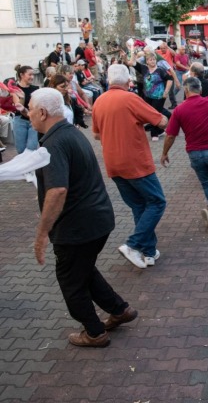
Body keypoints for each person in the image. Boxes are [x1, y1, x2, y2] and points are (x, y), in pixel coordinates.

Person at [30, 88, 137, 347]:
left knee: (70, 279)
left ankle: (94, 331)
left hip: (78, 228)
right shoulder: (71, 133)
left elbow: (57, 190)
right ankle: (118, 309)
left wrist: (42, 233)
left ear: (43, 112)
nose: (28, 113)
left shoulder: (54, 143)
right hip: (97, 220)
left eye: (30, 109)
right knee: (83, 269)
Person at [92, 64, 168, 269]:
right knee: (157, 202)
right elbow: (161, 122)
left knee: (139, 206)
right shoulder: (130, 98)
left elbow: (97, 134)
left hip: (113, 163)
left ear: (109, 80)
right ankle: (132, 245)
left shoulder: (99, 101)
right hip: (135, 162)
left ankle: (149, 252)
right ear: (128, 81)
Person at [161, 75, 208, 230]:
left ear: (185, 90)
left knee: (207, 183)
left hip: (194, 153)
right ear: (199, 89)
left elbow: (170, 135)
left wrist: (164, 153)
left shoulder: (179, 110)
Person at [128, 51, 173, 142]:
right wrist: (133, 53)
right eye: (150, 60)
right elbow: (131, 63)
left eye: (154, 59)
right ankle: (163, 125)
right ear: (147, 61)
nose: (153, 61)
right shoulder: (144, 68)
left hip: (159, 96)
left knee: (154, 113)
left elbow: (170, 79)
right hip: (147, 96)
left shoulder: (160, 70)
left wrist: (166, 91)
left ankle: (154, 133)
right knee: (154, 111)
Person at [12, 64, 39, 153]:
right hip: (20, 120)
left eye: (33, 75)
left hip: (33, 120)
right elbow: (18, 107)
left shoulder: (36, 89)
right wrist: (22, 97)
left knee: (32, 147)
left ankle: (32, 166)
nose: (32, 77)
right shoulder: (15, 89)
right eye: (30, 74)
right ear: (22, 75)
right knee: (21, 149)